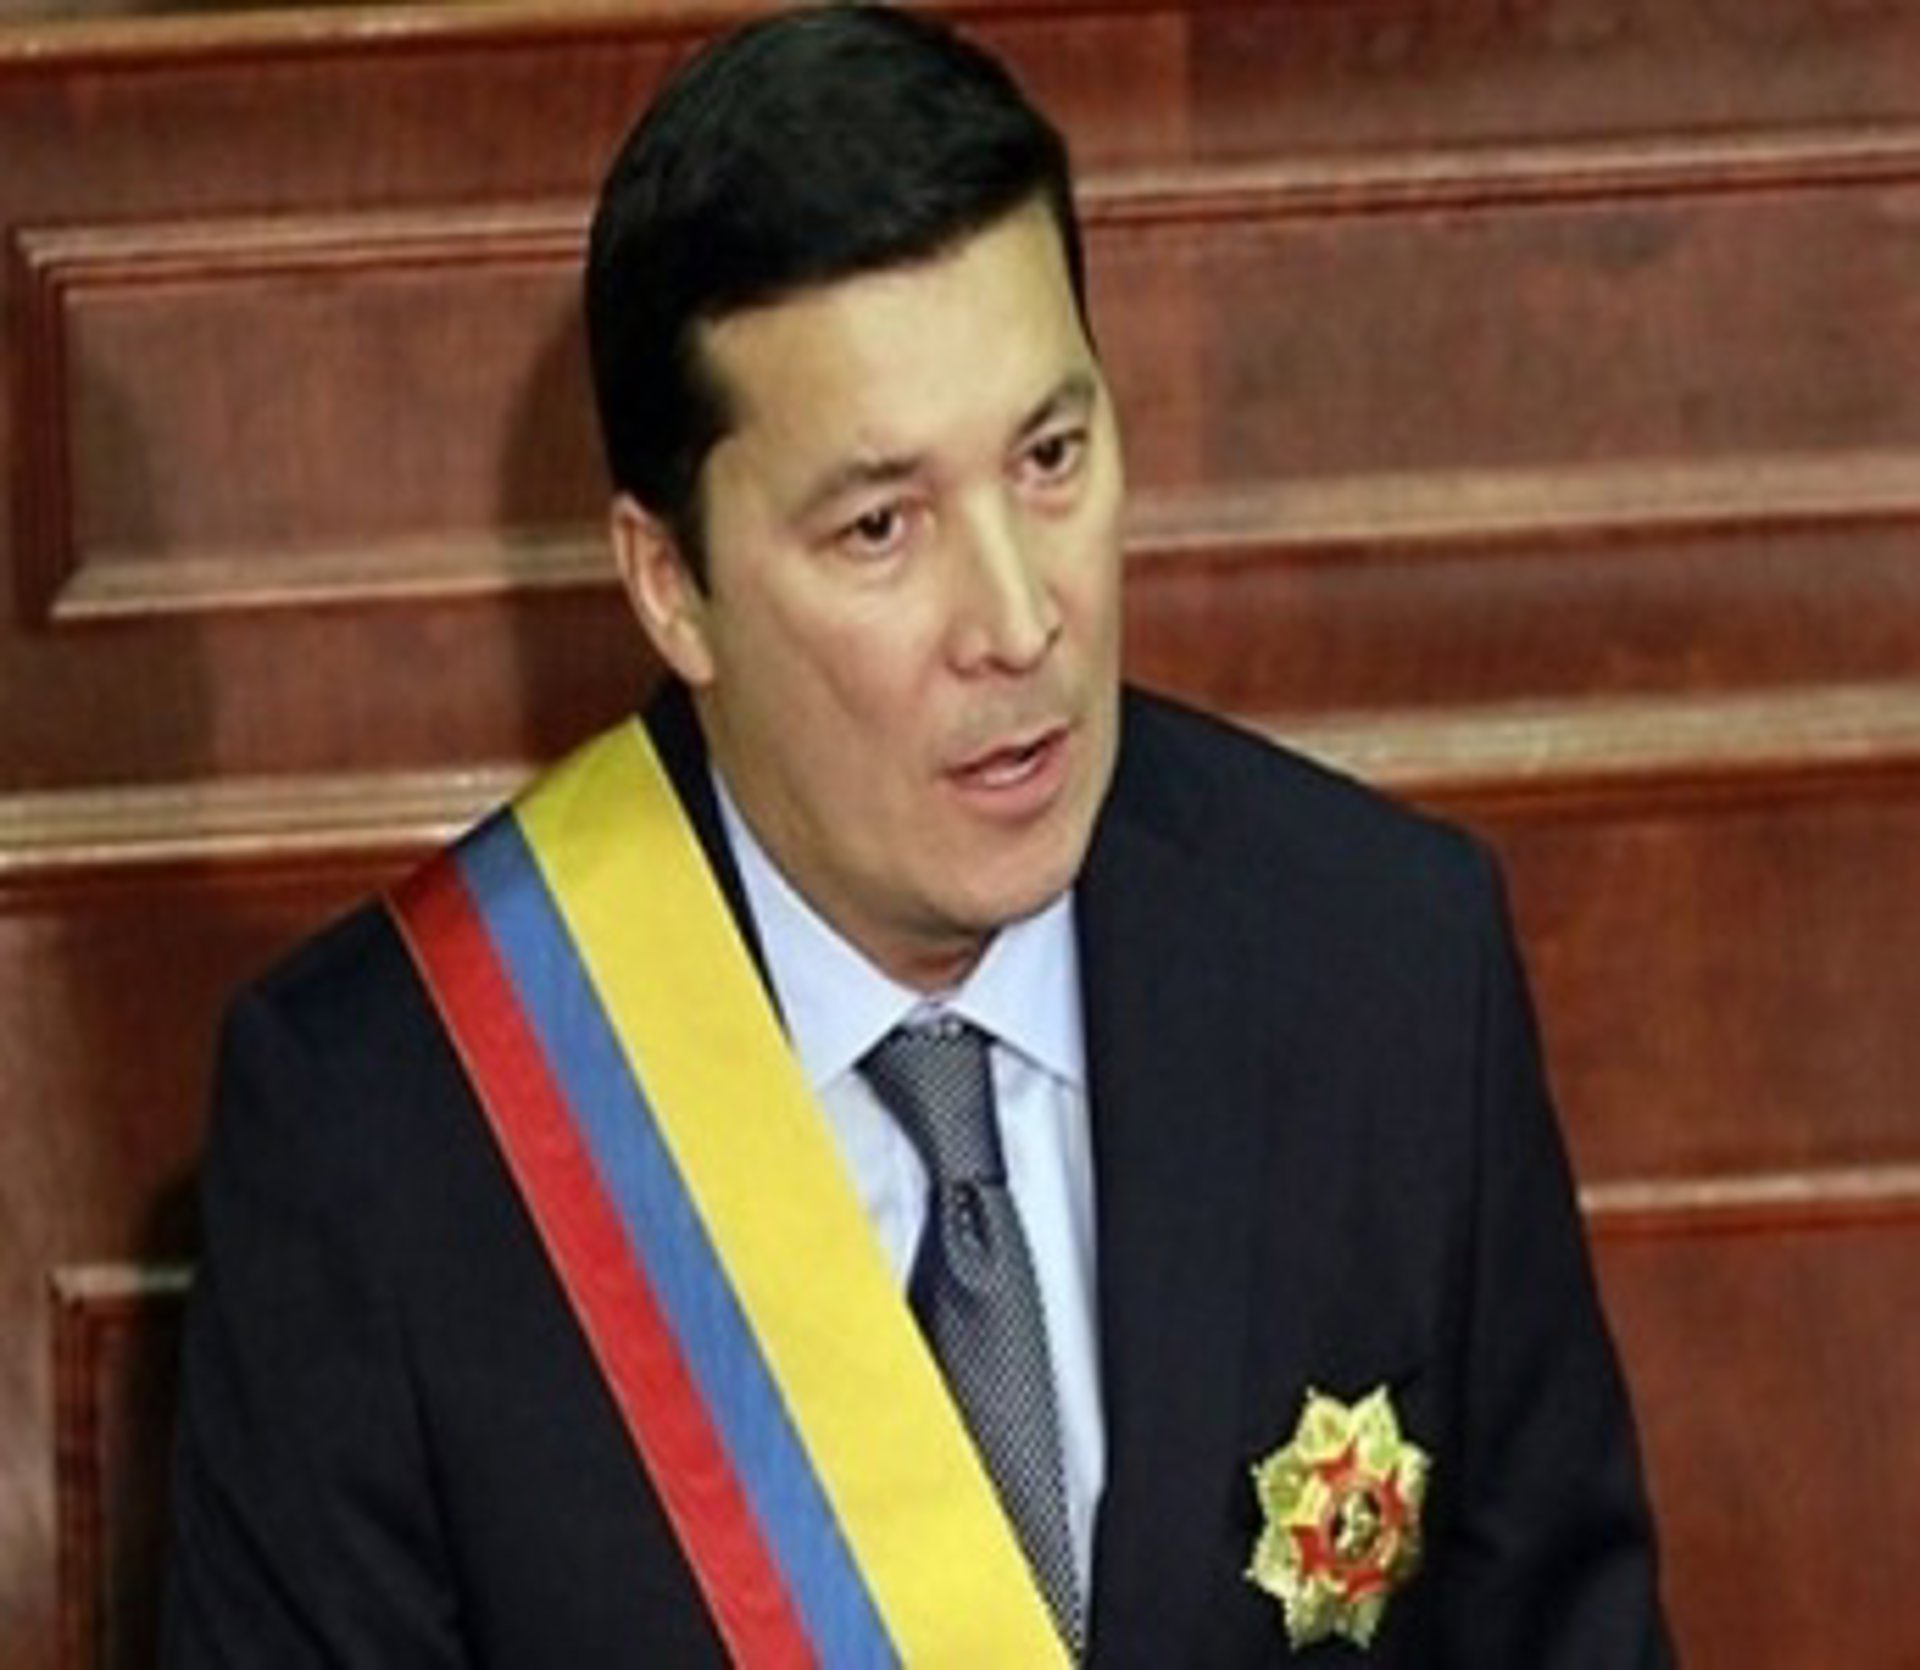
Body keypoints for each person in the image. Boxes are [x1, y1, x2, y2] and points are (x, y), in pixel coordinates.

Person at [163, 5, 1670, 1664]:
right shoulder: (389, 1133)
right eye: (882, 526)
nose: (1019, 621)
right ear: (671, 583)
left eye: (1051, 457)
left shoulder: (1388, 973)